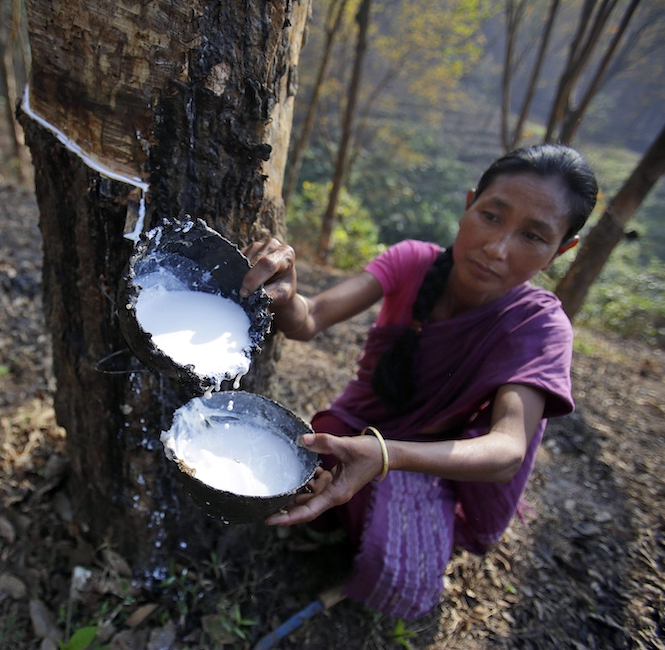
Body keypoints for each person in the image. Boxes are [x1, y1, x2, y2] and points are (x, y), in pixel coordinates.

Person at [238, 144, 598, 619]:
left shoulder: (539, 326)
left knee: (402, 583)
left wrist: (387, 456)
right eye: (491, 216)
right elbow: (311, 318)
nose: (497, 248)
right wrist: (285, 294)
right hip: (353, 434)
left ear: (561, 251)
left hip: (427, 464)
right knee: (301, 465)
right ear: (470, 203)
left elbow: (508, 450)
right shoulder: (411, 261)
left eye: (532, 236)